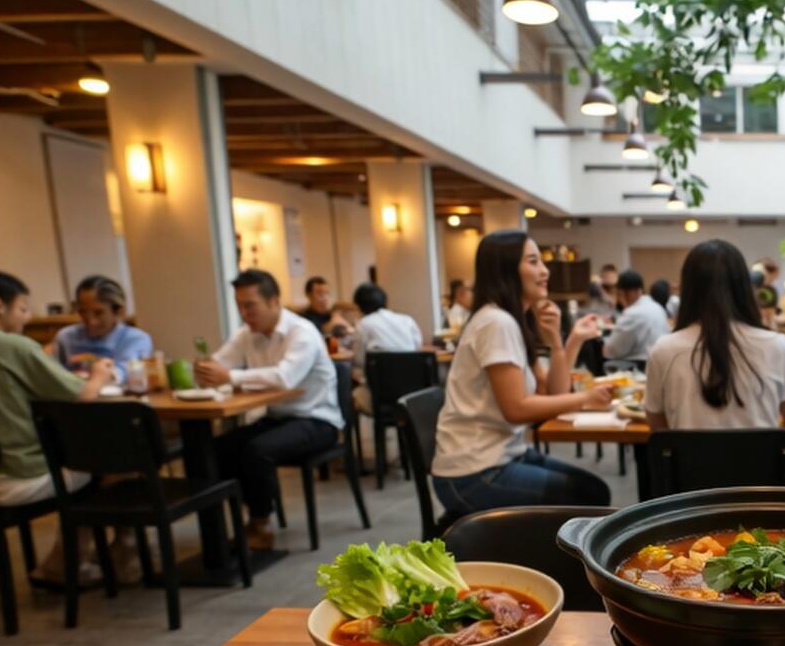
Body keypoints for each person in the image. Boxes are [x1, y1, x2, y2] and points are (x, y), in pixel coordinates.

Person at [431, 231, 614, 514]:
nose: (545, 271)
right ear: (505, 270)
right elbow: (516, 409)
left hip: (503, 456)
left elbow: (553, 393)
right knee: (588, 496)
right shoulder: (496, 322)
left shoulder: (510, 321)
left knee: (593, 491)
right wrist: (585, 399)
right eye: (533, 261)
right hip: (474, 472)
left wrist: (560, 340)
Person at [195, 269, 343, 551]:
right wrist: (204, 369)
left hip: (318, 420)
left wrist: (230, 377)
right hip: (277, 417)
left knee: (257, 450)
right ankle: (237, 520)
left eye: (250, 305)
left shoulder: (302, 332)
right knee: (218, 449)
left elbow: (285, 377)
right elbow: (220, 362)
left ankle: (260, 522)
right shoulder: (247, 335)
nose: (244, 313)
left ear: (274, 301)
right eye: (239, 306)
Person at [0, 269, 114, 581]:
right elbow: (83, 394)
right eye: (22, 308)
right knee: (111, 462)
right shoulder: (11, 346)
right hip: (22, 474)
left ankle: (69, 560)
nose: (27, 318)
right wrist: (100, 373)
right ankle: (87, 561)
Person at [645, 240, 785, 431]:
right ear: (744, 288)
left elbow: (658, 428)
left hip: (692, 461)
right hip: (758, 461)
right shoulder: (777, 345)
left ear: (688, 289)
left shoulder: (664, 350)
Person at [54, 275, 152, 384]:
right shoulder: (65, 336)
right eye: (83, 312)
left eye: (98, 313)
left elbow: (122, 372)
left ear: (118, 311)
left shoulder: (136, 339)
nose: (91, 321)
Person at [350, 282, 424, 415]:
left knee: (351, 386)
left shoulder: (364, 324)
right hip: (414, 392)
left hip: (381, 395)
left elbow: (359, 360)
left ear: (359, 306)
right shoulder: (407, 320)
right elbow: (417, 349)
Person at [602, 269, 667, 363]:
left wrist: (604, 344)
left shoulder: (632, 313)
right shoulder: (656, 306)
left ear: (628, 293)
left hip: (642, 366)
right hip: (660, 362)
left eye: (619, 294)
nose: (619, 299)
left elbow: (611, 351)